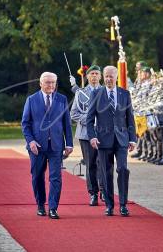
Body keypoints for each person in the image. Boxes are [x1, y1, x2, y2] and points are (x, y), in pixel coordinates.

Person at [21, 72, 73, 220]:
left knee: (56, 177)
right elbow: (25, 124)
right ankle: (40, 205)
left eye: (53, 82)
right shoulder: (31, 100)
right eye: (47, 82)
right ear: (40, 83)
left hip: (56, 146)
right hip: (37, 146)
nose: (51, 85)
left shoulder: (62, 99)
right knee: (37, 176)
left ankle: (53, 208)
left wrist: (69, 143)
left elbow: (66, 124)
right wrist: (30, 141)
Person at [86, 66, 137, 216]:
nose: (108, 79)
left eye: (111, 76)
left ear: (116, 77)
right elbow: (89, 120)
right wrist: (92, 136)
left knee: (122, 169)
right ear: (103, 77)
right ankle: (109, 205)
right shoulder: (96, 94)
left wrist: (132, 138)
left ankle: (123, 204)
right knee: (106, 172)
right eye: (106, 76)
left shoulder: (124, 94)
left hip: (121, 139)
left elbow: (130, 118)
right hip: (103, 140)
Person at [70, 65, 104, 206]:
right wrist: (90, 119)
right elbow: (74, 113)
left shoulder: (105, 92)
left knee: (103, 163)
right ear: (87, 77)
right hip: (86, 134)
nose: (94, 76)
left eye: (97, 73)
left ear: (100, 76)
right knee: (90, 164)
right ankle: (93, 193)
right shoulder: (81, 93)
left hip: (103, 133)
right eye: (92, 74)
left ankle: (104, 190)